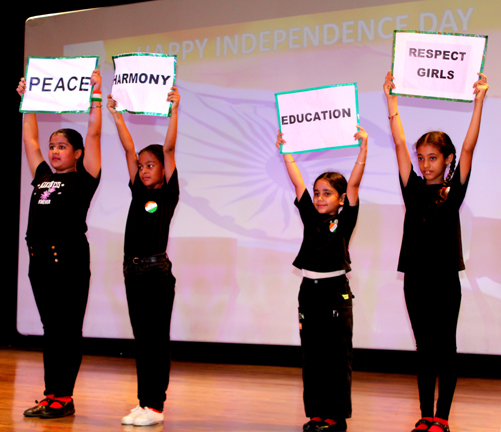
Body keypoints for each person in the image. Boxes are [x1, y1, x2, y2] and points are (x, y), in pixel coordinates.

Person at [383, 71, 489, 432]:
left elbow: (469, 148)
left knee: (445, 349)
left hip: (444, 280)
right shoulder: (412, 189)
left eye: (432, 157)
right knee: (424, 349)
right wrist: (391, 101)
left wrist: (478, 102)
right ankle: (425, 414)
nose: (425, 164)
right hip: (415, 279)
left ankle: (442, 418)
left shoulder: (453, 191)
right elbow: (399, 144)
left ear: (447, 160)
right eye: (421, 157)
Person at [17, 70, 102, 418]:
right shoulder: (43, 176)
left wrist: (96, 97)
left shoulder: (85, 179)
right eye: (53, 146)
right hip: (39, 262)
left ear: (77, 153)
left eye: (62, 146)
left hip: (68, 262)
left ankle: (64, 397)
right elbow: (30, 140)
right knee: (51, 331)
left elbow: (94, 133)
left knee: (67, 331)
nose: (53, 151)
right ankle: (51, 394)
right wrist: (28, 101)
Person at [276, 127, 368, 432]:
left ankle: (335, 417)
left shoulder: (345, 218)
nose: (319, 198)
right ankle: (316, 413)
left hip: (335, 293)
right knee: (312, 357)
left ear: (341, 199)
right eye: (317, 193)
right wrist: (286, 151)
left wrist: (363, 150)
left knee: (336, 358)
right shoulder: (310, 215)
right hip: (309, 292)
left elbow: (354, 183)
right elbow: (297, 181)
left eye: (327, 193)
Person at [107, 86, 180, 426]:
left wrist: (174, 110)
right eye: (141, 166)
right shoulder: (138, 190)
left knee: (155, 340)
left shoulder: (168, 194)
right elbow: (127, 147)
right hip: (132, 271)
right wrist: (116, 115)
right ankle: (143, 402)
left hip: (156, 273)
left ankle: (156, 406)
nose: (145, 170)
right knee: (142, 341)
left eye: (151, 165)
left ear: (164, 169)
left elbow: (169, 147)